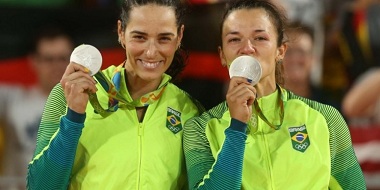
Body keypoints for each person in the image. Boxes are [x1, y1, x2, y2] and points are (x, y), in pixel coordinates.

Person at [183, 0, 366, 189]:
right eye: (234, 39)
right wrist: (236, 128)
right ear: (222, 55)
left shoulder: (326, 119)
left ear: (281, 51)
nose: (247, 48)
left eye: (260, 38)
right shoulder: (199, 129)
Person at [27, 0, 204, 189]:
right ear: (121, 32)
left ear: (179, 37)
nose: (151, 52)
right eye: (140, 37)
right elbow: (40, 186)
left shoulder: (190, 111)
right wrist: (74, 117)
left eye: (164, 38)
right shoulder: (68, 94)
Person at [0, 25, 74, 189]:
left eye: (63, 58)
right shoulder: (12, 100)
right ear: (34, 61)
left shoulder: (86, 105)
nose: (56, 66)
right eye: (48, 59)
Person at [282, 21, 341, 110]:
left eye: (301, 52)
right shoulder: (263, 102)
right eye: (288, 52)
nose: (294, 59)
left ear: (314, 58)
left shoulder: (328, 107)